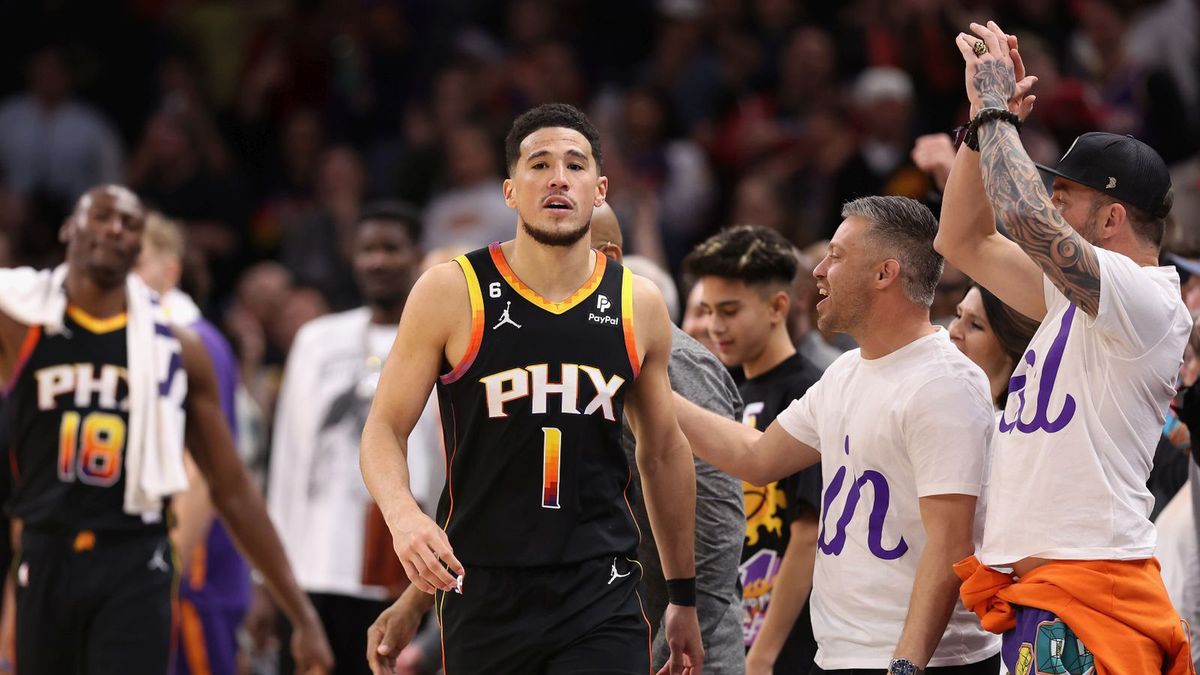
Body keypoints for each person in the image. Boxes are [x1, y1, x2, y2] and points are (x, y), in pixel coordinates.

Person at [358, 103, 703, 674]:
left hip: (601, 588)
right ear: (510, 191)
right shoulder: (450, 291)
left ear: (600, 190)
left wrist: (682, 598)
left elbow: (664, 451)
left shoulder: (637, 302)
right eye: (539, 164)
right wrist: (405, 521)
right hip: (485, 589)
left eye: (575, 164)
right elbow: (383, 429)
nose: (558, 178)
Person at [938, 20, 1194, 673]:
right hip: (1046, 592)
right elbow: (962, 240)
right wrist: (978, 124)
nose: (1049, 204)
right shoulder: (1067, 297)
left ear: (1112, 218)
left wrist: (999, 112)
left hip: (1089, 593)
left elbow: (1022, 217)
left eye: (1066, 196)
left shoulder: (1145, 298)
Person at [0, 184, 333, 675]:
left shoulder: (180, 350)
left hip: (135, 559)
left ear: (139, 246)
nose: (116, 228)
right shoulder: (20, 322)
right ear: (69, 228)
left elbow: (232, 488)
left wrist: (301, 612)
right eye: (102, 216)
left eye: (130, 223)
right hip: (46, 551)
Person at [672, 195, 1002, 674]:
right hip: (842, 654)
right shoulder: (847, 371)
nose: (819, 270)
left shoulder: (944, 383)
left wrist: (905, 666)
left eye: (838, 255)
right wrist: (651, 394)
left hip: (925, 661)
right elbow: (758, 457)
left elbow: (950, 545)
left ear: (885, 273)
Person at [268, 201, 437, 675]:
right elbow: (289, 459)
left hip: (403, 572)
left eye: (391, 248)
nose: (378, 260)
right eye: (367, 249)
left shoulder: (444, 339)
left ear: (417, 255)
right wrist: (269, 578)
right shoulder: (316, 340)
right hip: (312, 567)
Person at [596, 203, 745, 675]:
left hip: (680, 655)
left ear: (609, 258)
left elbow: (717, 523)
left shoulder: (675, 361)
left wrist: (661, 651)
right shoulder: (567, 359)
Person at [682, 224, 823, 675]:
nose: (714, 326)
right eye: (706, 310)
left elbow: (809, 531)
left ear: (778, 306)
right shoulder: (720, 390)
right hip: (726, 622)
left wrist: (763, 655)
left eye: (729, 311)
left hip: (792, 643)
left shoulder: (809, 390)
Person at [135, 211, 252, 675]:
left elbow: (204, 470)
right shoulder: (144, 342)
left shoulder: (196, 343)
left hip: (194, 564)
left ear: (170, 270)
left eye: (136, 261)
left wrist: (171, 567)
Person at [946, 284, 1039, 411]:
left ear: (1010, 345)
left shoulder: (1016, 425)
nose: (953, 330)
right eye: (958, 315)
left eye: (975, 325)